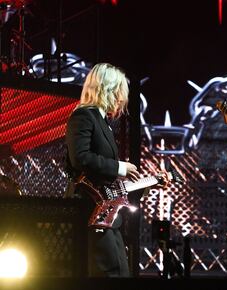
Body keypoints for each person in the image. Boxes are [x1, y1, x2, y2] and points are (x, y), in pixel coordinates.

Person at [64, 63, 140, 277]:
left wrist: (144, 182)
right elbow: (80, 158)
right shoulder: (83, 116)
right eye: (119, 92)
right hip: (91, 211)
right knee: (108, 272)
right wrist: (120, 167)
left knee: (120, 272)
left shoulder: (102, 121)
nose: (121, 100)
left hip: (108, 214)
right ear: (107, 89)